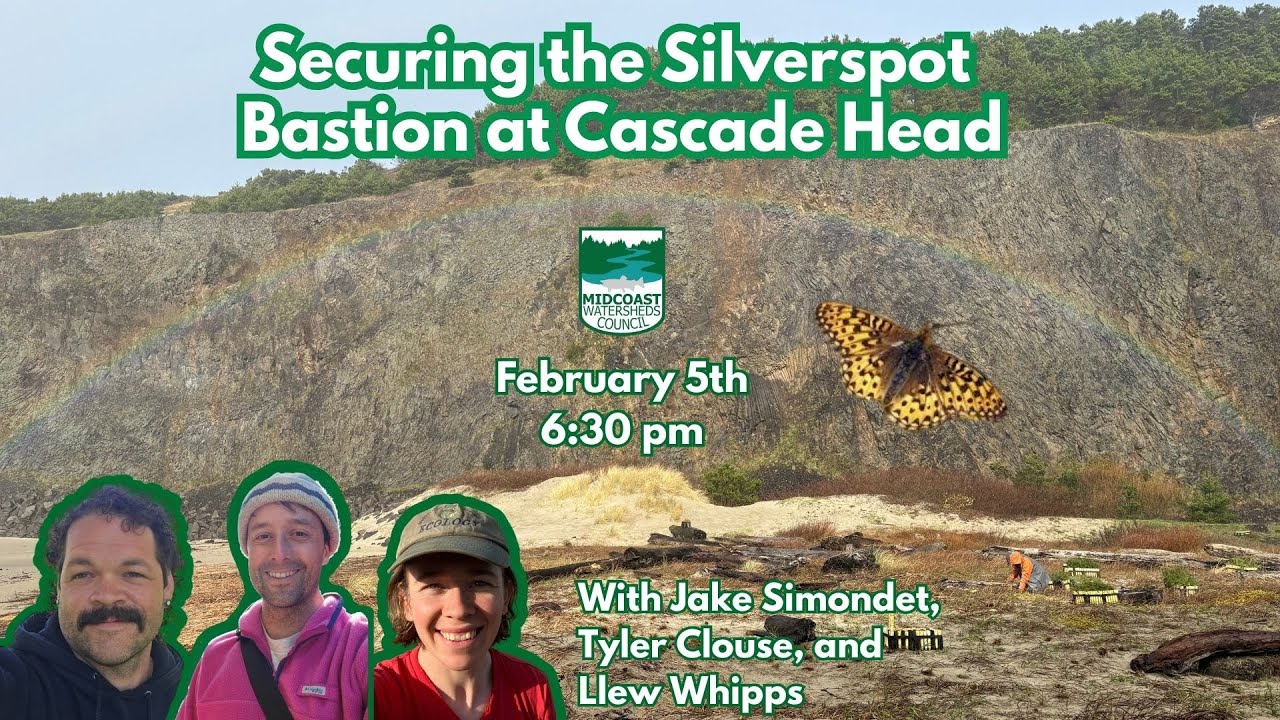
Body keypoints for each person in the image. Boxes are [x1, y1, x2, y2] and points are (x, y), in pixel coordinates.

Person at [177, 467, 368, 720]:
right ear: (247, 551)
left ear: (326, 549)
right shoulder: (215, 657)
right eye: (263, 536)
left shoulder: (358, 649)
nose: (279, 553)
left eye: (299, 534)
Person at [0, 480, 185, 719]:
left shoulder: (200, 693)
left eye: (132, 574)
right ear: (58, 586)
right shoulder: (15, 685)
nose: (107, 596)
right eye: (83, 575)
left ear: (167, 585)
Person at [374, 500, 557, 720]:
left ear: (506, 596)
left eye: (479, 583)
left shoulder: (533, 687)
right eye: (434, 586)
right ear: (406, 603)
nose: (459, 609)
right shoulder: (376, 694)